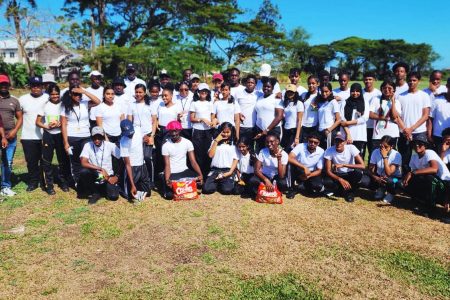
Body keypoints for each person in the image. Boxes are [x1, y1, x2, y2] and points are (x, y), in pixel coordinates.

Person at [61, 85, 101, 185]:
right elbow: (64, 125)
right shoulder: (65, 106)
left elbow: (98, 101)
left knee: (89, 158)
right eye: (76, 94)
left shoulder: (84, 104)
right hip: (72, 136)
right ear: (70, 94)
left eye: (79, 94)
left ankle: (92, 181)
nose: (78, 96)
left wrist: (84, 92)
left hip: (86, 136)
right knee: (75, 161)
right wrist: (66, 142)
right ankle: (78, 182)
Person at [36, 84, 70, 195]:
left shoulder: (63, 104)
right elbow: (38, 122)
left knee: (62, 159)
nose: (55, 96)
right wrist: (47, 126)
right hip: (48, 135)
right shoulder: (44, 105)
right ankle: (49, 185)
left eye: (56, 94)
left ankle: (63, 182)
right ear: (49, 94)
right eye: (52, 94)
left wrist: (61, 123)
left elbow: (68, 119)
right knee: (47, 161)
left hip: (60, 134)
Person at [403, 135, 450, 216]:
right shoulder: (414, 157)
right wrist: (408, 176)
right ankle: (419, 201)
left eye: (420, 144)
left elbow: (434, 169)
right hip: (433, 182)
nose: (417, 145)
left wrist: (412, 173)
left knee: (429, 179)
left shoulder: (429, 152)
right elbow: (413, 172)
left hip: (444, 185)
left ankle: (431, 208)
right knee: (409, 180)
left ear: (425, 146)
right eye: (414, 144)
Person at [397, 71, 431, 172]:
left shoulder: (424, 95)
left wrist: (411, 128)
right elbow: (398, 116)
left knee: (421, 157)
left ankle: (419, 180)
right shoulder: (400, 96)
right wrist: (405, 129)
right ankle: (404, 181)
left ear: (418, 81)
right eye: (410, 80)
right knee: (405, 158)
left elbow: (425, 115)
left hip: (419, 132)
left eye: (414, 80)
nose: (411, 82)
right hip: (404, 132)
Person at [19, 76, 48, 191]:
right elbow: (18, 115)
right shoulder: (22, 99)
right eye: (33, 85)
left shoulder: (47, 97)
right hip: (28, 135)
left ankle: (44, 181)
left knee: (45, 160)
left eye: (38, 85)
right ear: (30, 86)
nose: (36, 88)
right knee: (31, 161)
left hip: (44, 135)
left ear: (42, 86)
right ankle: (33, 182)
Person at [161, 120, 203, 200]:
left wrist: (200, 175)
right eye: (171, 131)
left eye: (175, 131)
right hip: (172, 172)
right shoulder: (165, 146)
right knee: (169, 196)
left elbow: (193, 162)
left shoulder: (187, 142)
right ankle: (164, 181)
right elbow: (167, 165)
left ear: (180, 130)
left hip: (184, 170)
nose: (173, 133)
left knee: (199, 184)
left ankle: (183, 186)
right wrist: (167, 180)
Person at [79, 126, 121, 204]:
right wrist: (100, 169)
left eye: (99, 138)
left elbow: (122, 159)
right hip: (95, 174)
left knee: (113, 196)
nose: (97, 140)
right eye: (94, 138)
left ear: (103, 137)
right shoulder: (87, 145)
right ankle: (95, 192)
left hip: (108, 175)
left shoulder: (110, 145)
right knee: (83, 171)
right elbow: (83, 162)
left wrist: (117, 176)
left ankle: (103, 189)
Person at [127, 84, 157, 187]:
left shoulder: (150, 105)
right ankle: (140, 179)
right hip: (136, 136)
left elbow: (154, 122)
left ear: (145, 93)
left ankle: (151, 180)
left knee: (147, 157)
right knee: (138, 158)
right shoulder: (131, 105)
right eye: (137, 92)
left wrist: (151, 135)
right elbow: (129, 122)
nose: (138, 94)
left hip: (148, 135)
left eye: (140, 92)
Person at [323, 132, 366, 202]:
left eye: (341, 141)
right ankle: (341, 190)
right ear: (334, 141)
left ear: (345, 142)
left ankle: (350, 192)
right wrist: (340, 179)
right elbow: (328, 170)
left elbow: (362, 166)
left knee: (358, 174)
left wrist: (344, 165)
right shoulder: (329, 150)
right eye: (336, 141)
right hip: (338, 174)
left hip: (350, 173)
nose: (338, 143)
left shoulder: (351, 148)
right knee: (326, 181)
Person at [152, 84, 182, 175]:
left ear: (171, 96)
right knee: (159, 153)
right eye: (162, 96)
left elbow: (178, 120)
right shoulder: (160, 105)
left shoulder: (176, 106)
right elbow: (156, 117)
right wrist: (156, 124)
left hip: (170, 132)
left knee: (167, 152)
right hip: (160, 131)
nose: (164, 98)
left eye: (166, 96)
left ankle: (168, 173)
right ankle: (160, 174)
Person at [0, 74, 22, 196]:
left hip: (10, 137)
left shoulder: (14, 101)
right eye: (1, 84)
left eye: (5, 84)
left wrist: (15, 131)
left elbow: (19, 118)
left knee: (7, 162)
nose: (3, 86)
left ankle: (5, 186)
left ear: (9, 85)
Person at [120, 119, 151, 202]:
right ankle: (125, 186)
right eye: (128, 134)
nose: (130, 135)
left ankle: (137, 185)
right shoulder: (123, 142)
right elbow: (127, 164)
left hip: (142, 164)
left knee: (147, 193)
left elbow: (145, 137)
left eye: (131, 133)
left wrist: (145, 138)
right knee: (130, 196)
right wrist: (132, 184)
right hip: (132, 167)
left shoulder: (138, 130)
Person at [203, 122, 238, 195]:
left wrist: (230, 172)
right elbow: (210, 155)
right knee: (206, 189)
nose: (225, 134)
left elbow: (235, 159)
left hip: (227, 170)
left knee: (227, 190)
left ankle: (225, 182)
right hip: (215, 170)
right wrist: (216, 140)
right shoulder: (214, 141)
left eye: (228, 132)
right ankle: (217, 183)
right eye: (223, 132)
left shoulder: (234, 144)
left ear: (231, 132)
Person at [287, 132, 325, 198]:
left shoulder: (321, 151)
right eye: (311, 141)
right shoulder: (300, 146)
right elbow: (289, 157)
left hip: (311, 172)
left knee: (318, 186)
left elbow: (319, 170)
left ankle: (302, 185)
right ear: (307, 140)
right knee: (290, 165)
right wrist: (304, 167)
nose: (312, 144)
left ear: (318, 143)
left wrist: (309, 175)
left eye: (315, 142)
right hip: (299, 169)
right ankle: (292, 189)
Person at [369, 80, 402, 153]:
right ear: (381, 89)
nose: (387, 90)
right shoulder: (376, 99)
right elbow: (370, 114)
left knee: (391, 154)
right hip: (378, 134)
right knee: (376, 153)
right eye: (384, 88)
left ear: (394, 90)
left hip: (392, 133)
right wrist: (383, 118)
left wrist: (393, 101)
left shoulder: (397, 102)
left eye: (389, 88)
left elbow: (394, 117)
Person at [368, 135, 402, 203]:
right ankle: (381, 189)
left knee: (391, 181)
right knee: (365, 179)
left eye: (386, 147)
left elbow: (389, 173)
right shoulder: (375, 152)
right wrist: (376, 178)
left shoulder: (397, 155)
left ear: (392, 146)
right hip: (380, 177)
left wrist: (385, 157)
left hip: (395, 178)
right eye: (381, 146)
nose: (383, 149)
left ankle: (391, 193)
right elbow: (370, 169)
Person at [189, 82, 214, 178]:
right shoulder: (194, 103)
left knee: (207, 154)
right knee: (198, 154)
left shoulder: (210, 103)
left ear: (208, 93)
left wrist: (213, 122)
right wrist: (202, 119)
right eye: (201, 91)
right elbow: (192, 119)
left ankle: (207, 176)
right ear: (198, 92)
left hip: (208, 132)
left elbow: (212, 118)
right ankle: (199, 176)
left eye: (205, 91)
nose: (203, 93)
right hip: (197, 131)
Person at [253, 77, 284, 152]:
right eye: (264, 86)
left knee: (272, 152)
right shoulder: (259, 98)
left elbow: (279, 116)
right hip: (260, 130)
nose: (266, 88)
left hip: (273, 130)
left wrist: (267, 130)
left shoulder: (276, 98)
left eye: (268, 87)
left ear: (273, 88)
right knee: (260, 152)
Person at [340, 83, 370, 158]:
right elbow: (342, 119)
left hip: (360, 135)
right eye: (353, 91)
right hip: (346, 136)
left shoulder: (365, 102)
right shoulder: (345, 102)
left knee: (359, 158)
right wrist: (348, 134)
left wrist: (348, 122)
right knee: (347, 157)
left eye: (357, 91)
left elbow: (364, 118)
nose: (355, 93)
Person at [234, 74, 260, 150]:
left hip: (253, 127)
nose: (250, 84)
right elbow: (234, 107)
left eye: (252, 83)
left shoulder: (258, 94)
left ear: (255, 84)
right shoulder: (238, 93)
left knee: (250, 148)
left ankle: (250, 161)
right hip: (241, 126)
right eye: (248, 82)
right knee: (240, 146)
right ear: (245, 83)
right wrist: (239, 114)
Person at [362, 71, 382, 159]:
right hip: (361, 126)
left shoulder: (379, 94)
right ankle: (360, 171)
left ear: (374, 80)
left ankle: (371, 170)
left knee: (373, 151)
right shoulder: (360, 93)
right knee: (361, 150)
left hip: (374, 127)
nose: (368, 81)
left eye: (370, 79)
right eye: (366, 79)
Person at [316, 83, 341, 149]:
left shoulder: (333, 102)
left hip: (328, 131)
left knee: (328, 152)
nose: (324, 93)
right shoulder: (320, 103)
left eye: (326, 91)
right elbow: (313, 110)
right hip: (320, 131)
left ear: (330, 91)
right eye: (322, 91)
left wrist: (329, 130)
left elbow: (338, 120)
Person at [280, 83, 303, 153]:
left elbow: (299, 120)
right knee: (285, 149)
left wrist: (297, 137)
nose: (290, 93)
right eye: (288, 92)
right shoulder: (285, 103)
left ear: (295, 93)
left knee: (289, 150)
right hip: (286, 130)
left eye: (292, 92)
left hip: (294, 130)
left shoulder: (299, 103)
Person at [428, 78, 450, 148]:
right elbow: (430, 118)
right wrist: (429, 134)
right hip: (438, 136)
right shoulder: (437, 100)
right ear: (447, 86)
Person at [300, 75, 319, 142]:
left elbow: (317, 110)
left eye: (313, 83)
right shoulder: (303, 95)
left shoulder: (319, 95)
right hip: (303, 125)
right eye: (309, 83)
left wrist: (315, 106)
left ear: (317, 84)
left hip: (314, 125)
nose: (311, 85)